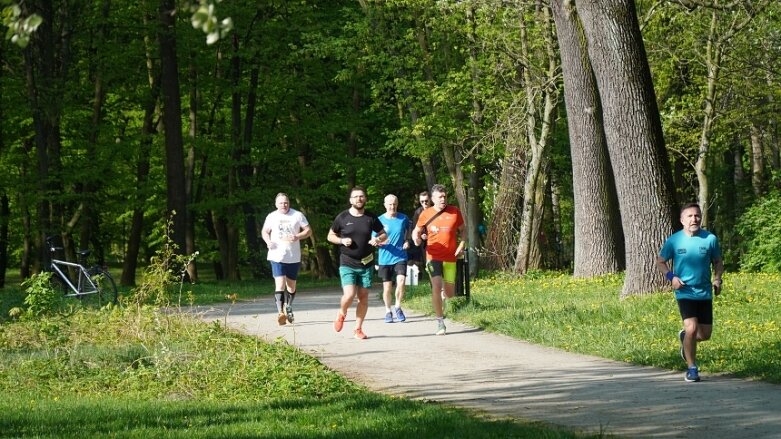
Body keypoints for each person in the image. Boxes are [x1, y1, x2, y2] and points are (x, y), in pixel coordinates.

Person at [656, 202, 724, 383]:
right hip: (684, 291)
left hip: (704, 292)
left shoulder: (710, 239)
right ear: (682, 220)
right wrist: (672, 277)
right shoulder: (674, 240)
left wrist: (717, 279)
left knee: (704, 335)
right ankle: (692, 368)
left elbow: (718, 261)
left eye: (697, 216)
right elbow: (660, 261)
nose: (694, 219)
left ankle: (685, 338)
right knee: (692, 328)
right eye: (690, 216)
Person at [327, 186, 387, 340]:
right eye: (355, 197)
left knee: (363, 296)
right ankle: (342, 313)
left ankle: (358, 329)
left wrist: (377, 239)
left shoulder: (371, 217)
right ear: (350, 200)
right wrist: (341, 240)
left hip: (366, 263)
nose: (359, 199)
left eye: (361, 196)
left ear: (365, 199)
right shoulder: (343, 217)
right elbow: (330, 236)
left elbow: (384, 235)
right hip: (347, 261)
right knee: (349, 294)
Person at [412, 184, 467, 336]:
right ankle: (440, 322)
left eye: (445, 196)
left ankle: (443, 298)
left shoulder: (454, 212)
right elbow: (416, 231)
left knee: (449, 294)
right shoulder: (426, 214)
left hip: (450, 258)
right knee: (436, 286)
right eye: (440, 197)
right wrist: (416, 239)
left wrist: (462, 245)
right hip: (433, 256)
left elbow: (463, 230)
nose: (443, 199)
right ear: (433, 199)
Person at [262, 193, 312, 326]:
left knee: (291, 286)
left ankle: (288, 306)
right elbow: (265, 231)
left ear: (289, 203)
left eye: (286, 203)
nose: (284, 205)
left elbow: (308, 231)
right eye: (281, 203)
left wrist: (297, 236)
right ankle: (280, 313)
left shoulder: (297, 215)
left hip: (293, 256)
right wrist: (268, 242)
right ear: (276, 204)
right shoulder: (271, 216)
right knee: (280, 284)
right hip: (276, 255)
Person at [376, 194, 411, 323]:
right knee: (387, 288)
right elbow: (373, 238)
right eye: (390, 204)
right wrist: (378, 241)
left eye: (395, 204)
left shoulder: (403, 218)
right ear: (385, 205)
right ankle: (388, 311)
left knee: (401, 281)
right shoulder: (378, 220)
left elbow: (409, 230)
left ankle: (397, 306)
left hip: (400, 256)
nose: (392, 207)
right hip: (385, 258)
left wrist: (407, 240)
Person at [407, 191, 431, 271]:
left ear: (430, 199)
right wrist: (420, 235)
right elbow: (415, 228)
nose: (424, 203)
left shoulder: (436, 210)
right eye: (422, 201)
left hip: (437, 240)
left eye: (426, 201)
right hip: (424, 243)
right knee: (429, 265)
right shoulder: (418, 212)